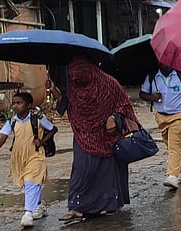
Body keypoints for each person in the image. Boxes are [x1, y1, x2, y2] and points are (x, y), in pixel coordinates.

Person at [58, 56, 140, 222]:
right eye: (74, 77)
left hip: (106, 135)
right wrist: (53, 90)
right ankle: (77, 207)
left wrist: (113, 116)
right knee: (81, 169)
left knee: (108, 172)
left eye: (81, 76)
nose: (78, 80)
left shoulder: (109, 83)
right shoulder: (73, 87)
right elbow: (64, 106)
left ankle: (111, 204)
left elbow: (123, 104)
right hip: (83, 134)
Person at [0, 91, 56, 227]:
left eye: (19, 103)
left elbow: (53, 129)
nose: (16, 106)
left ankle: (28, 213)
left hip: (36, 155)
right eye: (14, 103)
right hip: (19, 156)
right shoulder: (12, 120)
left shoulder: (38, 118)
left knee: (31, 181)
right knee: (30, 182)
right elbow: (3, 137)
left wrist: (41, 141)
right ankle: (38, 206)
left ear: (29, 105)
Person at [140, 64, 181, 189]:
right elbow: (142, 93)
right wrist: (152, 97)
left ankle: (172, 175)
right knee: (171, 146)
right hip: (161, 116)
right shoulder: (152, 77)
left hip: (180, 115)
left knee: (175, 145)